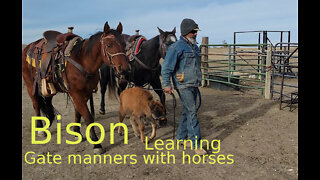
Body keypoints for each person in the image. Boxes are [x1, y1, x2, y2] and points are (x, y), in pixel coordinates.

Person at [161, 18, 207, 155]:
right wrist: (167, 84)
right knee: (192, 111)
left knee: (187, 111)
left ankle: (180, 138)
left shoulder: (195, 47)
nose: (195, 34)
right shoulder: (176, 47)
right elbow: (166, 68)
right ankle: (196, 144)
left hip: (194, 83)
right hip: (183, 85)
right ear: (186, 32)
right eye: (193, 32)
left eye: (196, 31)